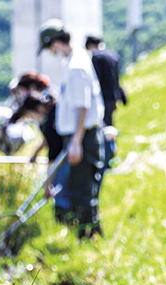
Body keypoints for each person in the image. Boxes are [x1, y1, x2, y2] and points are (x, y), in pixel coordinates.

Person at [40, 20, 107, 239]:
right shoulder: (72, 62)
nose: (52, 53)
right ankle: (90, 233)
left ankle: (87, 236)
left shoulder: (77, 66)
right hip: (79, 135)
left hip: (83, 136)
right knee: (81, 185)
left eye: (50, 48)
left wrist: (76, 141)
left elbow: (82, 106)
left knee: (82, 188)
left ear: (56, 44)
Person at [85, 36, 128, 127]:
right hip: (113, 94)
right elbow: (117, 77)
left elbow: (96, 78)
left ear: (91, 46)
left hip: (103, 95)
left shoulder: (97, 57)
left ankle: (108, 141)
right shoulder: (113, 55)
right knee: (110, 121)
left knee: (103, 124)